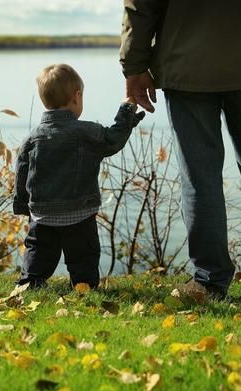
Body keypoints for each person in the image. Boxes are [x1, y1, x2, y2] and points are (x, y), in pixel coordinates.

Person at [120, 0, 241, 301]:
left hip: (186, 60)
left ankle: (210, 282)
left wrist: (134, 65)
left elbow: (141, 3)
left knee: (200, 176)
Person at [13, 64, 145, 289]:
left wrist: (24, 205)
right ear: (77, 97)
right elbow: (113, 139)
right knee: (83, 256)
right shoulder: (87, 132)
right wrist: (126, 112)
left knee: (38, 253)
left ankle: (29, 283)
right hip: (79, 214)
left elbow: (21, 174)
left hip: (43, 215)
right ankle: (84, 287)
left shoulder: (31, 139)